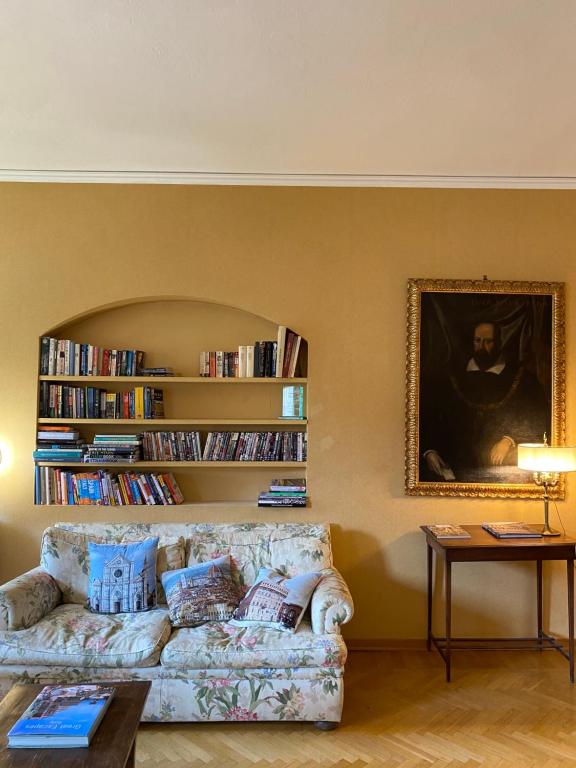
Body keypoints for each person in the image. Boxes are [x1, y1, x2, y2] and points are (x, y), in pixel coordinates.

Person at [420, 321, 549, 482]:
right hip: (453, 468)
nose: (482, 346)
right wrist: (429, 451)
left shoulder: (523, 379)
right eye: (477, 341)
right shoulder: (451, 377)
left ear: (499, 343)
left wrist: (509, 440)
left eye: (488, 341)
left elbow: (537, 419)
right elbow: (431, 418)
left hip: (502, 471)